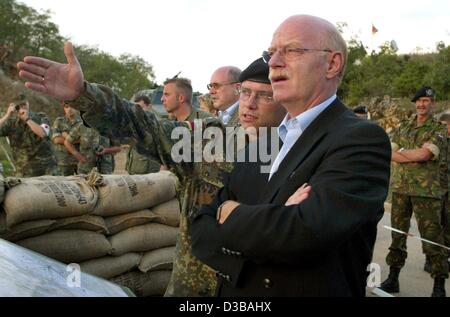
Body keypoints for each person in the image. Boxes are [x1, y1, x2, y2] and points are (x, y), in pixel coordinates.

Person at [16, 45, 289, 296]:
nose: (250, 104)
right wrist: (84, 95)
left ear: (285, 100)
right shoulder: (208, 141)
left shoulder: (302, 156)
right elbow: (145, 127)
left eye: (264, 96)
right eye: (245, 93)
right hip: (192, 289)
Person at [189, 15, 391, 297]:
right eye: (271, 53)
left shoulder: (361, 140)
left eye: (292, 50)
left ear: (332, 64)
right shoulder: (263, 142)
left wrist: (231, 214)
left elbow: (305, 233)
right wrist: (276, 219)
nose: (273, 62)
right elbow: (199, 229)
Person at [380, 86, 448, 297]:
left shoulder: (438, 129)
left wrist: (402, 153)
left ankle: (438, 286)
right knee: (397, 237)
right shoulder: (404, 126)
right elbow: (389, 152)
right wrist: (411, 154)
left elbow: (426, 154)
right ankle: (393, 279)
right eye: (419, 101)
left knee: (432, 240)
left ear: (432, 103)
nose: (421, 104)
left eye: (426, 101)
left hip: (426, 193)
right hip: (401, 189)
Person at [0, 93, 57, 177]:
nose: (22, 107)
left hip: (46, 168)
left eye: (24, 104)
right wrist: (7, 115)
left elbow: (43, 134)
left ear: (28, 103)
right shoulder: (10, 123)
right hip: (24, 171)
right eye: (19, 105)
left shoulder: (40, 117)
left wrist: (27, 119)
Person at [63, 104, 121, 174]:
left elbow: (118, 148)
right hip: (85, 169)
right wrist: (77, 155)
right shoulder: (81, 126)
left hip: (105, 169)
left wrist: (106, 150)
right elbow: (67, 142)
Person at [125, 95, 162, 174]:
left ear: (149, 106)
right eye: (135, 108)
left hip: (147, 170)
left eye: (140, 107)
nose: (137, 111)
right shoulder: (134, 123)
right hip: (134, 168)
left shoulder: (154, 123)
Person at [52, 102, 82, 175]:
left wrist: (66, 136)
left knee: (83, 184)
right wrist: (76, 139)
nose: (70, 109)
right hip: (64, 162)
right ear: (64, 108)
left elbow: (85, 140)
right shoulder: (59, 121)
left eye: (72, 106)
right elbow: (56, 140)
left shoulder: (82, 122)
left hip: (80, 161)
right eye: (67, 107)